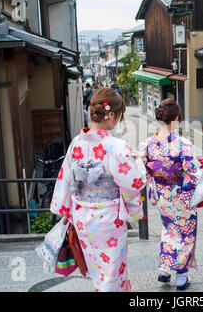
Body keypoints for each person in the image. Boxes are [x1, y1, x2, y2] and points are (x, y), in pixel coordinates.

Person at [50, 87, 147, 292]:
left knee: (97, 268)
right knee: (112, 270)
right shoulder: (116, 146)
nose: (119, 121)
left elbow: (65, 179)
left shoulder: (76, 143)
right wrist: (137, 162)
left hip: (82, 216)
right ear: (111, 114)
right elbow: (135, 182)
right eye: (119, 116)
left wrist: (67, 211)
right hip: (108, 219)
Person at [144, 99, 203, 291]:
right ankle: (180, 277)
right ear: (176, 118)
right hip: (180, 196)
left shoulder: (149, 143)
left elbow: (147, 170)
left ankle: (165, 270)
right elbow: (193, 172)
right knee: (185, 233)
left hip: (162, 196)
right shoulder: (182, 144)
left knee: (168, 230)